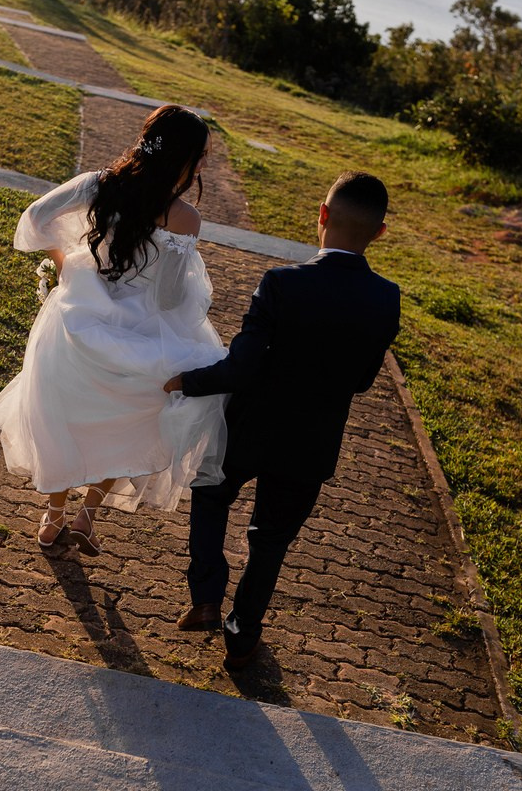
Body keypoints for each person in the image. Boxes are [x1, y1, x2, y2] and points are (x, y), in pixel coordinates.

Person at [164, 170, 400, 671]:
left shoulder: (281, 283)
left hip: (248, 426)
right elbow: (361, 382)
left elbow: (243, 366)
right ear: (379, 234)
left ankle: (206, 595)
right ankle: (242, 633)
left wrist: (186, 381)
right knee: (269, 539)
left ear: (322, 215)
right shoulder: (386, 298)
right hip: (311, 444)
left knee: (210, 493)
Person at [0, 105, 229, 557]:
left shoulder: (97, 184)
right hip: (141, 337)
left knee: (65, 418)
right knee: (131, 425)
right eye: (203, 157)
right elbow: (171, 299)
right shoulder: (184, 217)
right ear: (185, 160)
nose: (204, 166)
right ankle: (86, 516)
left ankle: (52, 520)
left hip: (78, 320)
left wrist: (69, 267)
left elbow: (35, 219)